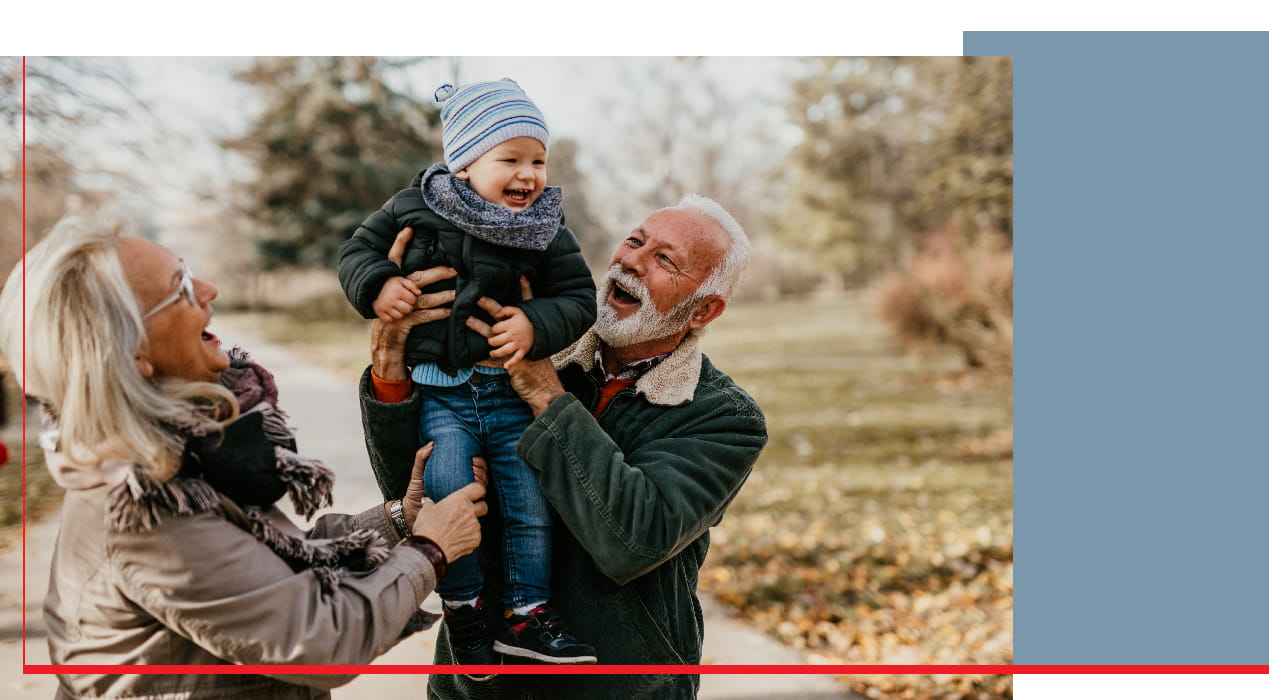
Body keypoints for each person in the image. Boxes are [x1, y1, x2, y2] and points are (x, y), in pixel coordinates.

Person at [0, 217, 489, 699]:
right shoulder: (147, 507)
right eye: (183, 289)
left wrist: (398, 520)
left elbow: (269, 572)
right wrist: (430, 550)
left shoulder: (181, 452)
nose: (210, 290)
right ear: (132, 356)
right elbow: (319, 638)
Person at [360, 194, 767, 699]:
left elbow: (632, 539)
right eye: (634, 241)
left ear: (705, 309)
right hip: (476, 685)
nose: (631, 261)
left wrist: (544, 392)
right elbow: (419, 491)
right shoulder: (521, 342)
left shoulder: (722, 416)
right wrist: (390, 366)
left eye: (665, 259)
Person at [338, 78, 598, 665]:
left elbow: (579, 297)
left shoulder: (546, 228)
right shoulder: (414, 207)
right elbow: (357, 252)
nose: (529, 175)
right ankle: (464, 608)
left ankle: (526, 612)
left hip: (509, 393)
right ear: (463, 162)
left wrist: (535, 323)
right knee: (449, 491)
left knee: (529, 504)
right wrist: (380, 286)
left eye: (539, 160)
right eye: (510, 159)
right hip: (441, 394)